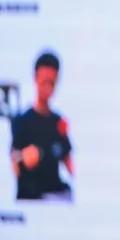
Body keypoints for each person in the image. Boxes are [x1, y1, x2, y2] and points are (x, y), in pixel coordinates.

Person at [10, 51, 74, 201]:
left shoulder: (59, 122)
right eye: (44, 82)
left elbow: (70, 163)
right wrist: (23, 158)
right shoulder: (22, 121)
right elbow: (15, 161)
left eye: (52, 83)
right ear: (35, 78)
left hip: (56, 197)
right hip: (31, 198)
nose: (48, 88)